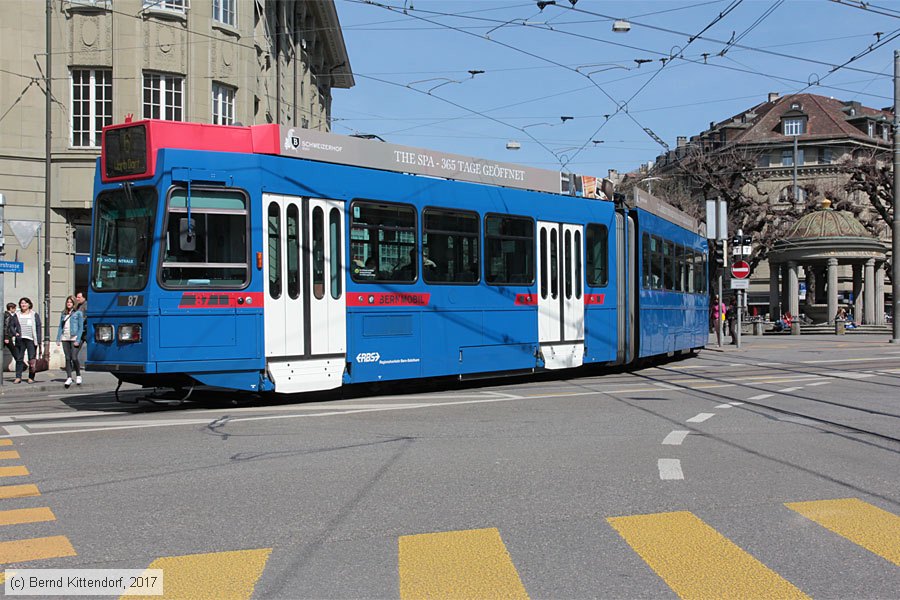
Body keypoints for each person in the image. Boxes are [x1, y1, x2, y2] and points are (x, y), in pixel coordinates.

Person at [56, 295, 84, 388]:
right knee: (68, 358)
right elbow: (60, 326)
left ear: (74, 303)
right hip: (65, 337)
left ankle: (78, 375)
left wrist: (78, 339)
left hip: (74, 337)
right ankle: (69, 377)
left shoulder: (78, 313)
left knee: (74, 357)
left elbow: (81, 327)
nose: (69, 304)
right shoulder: (63, 313)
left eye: (71, 302)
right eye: (68, 302)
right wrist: (58, 338)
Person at [14, 297, 42, 384]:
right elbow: (12, 325)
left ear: (29, 304)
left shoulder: (34, 314)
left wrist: (39, 340)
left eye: (25, 303)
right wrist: (15, 333)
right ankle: (18, 377)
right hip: (20, 339)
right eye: (22, 303)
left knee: (31, 360)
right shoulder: (17, 314)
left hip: (31, 340)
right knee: (19, 359)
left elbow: (38, 327)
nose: (23, 305)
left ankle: (31, 377)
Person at [3, 303, 20, 370]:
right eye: (14, 308)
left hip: (6, 336)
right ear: (11, 308)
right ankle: (21, 363)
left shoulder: (6, 315)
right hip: (7, 336)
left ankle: (21, 363)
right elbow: (6, 327)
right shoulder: (8, 316)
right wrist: (6, 337)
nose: (15, 310)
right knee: (14, 350)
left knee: (13, 350)